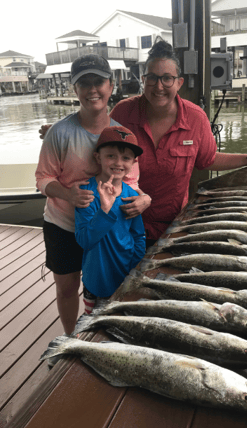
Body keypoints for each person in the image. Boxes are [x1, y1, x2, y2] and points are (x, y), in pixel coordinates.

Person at [39, 39, 247, 248]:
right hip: (124, 224)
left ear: (179, 82)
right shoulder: (124, 111)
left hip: (172, 224)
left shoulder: (196, 118)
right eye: (152, 77)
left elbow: (207, 160)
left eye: (167, 78)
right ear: (144, 80)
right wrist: (58, 129)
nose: (159, 85)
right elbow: (97, 128)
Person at [35, 54, 151, 335]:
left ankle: (104, 334)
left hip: (105, 227)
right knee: (66, 287)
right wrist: (68, 195)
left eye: (98, 81)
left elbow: (130, 181)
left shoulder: (123, 136)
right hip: (64, 224)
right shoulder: (60, 133)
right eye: (83, 83)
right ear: (75, 90)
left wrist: (145, 198)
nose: (92, 90)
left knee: (107, 283)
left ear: (111, 85)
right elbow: (42, 178)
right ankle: (69, 337)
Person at [75, 126, 145, 314]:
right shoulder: (86, 194)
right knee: (91, 323)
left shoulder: (131, 196)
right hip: (95, 277)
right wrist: (104, 210)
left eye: (126, 158)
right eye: (111, 156)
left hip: (124, 272)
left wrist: (134, 268)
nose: (118, 163)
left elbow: (138, 236)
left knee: (119, 318)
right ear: (98, 157)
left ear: (134, 162)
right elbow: (84, 239)